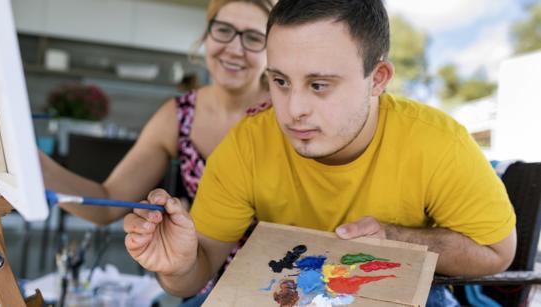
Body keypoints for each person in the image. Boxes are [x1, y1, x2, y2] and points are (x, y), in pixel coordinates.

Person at [123, 0, 517, 305]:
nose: (293, 110)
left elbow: (497, 253)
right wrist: (176, 266)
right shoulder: (247, 145)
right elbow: (199, 269)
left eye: (319, 85)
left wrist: (395, 238)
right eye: (280, 81)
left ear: (377, 79)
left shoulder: (437, 142)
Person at [41, 0, 275, 305]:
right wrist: (32, 164)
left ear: (273, 49)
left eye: (253, 37)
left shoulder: (288, 115)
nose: (234, 48)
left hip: (280, 284)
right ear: (205, 36)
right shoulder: (178, 116)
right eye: (223, 30)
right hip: (203, 284)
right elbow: (107, 203)